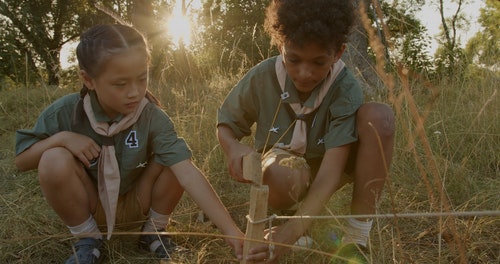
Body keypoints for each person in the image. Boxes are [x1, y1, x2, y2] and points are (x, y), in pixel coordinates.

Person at [15, 24, 245, 264]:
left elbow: (186, 173)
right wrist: (62, 139)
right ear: (88, 79)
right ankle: (88, 240)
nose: (134, 92)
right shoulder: (64, 112)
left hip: (140, 203)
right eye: (120, 84)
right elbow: (22, 161)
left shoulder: (151, 116)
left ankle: (153, 233)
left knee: (175, 158)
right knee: (53, 158)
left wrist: (232, 231)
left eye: (142, 78)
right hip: (92, 206)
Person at [216, 0, 395, 263]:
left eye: (319, 62)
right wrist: (233, 147)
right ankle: (293, 221)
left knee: (380, 117)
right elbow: (225, 125)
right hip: (285, 171)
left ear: (338, 53)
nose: (304, 73)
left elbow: (329, 175)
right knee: (278, 171)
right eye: (294, 59)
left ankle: (356, 238)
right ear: (281, 47)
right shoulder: (263, 76)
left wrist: (285, 238)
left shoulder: (344, 88)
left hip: (329, 168)